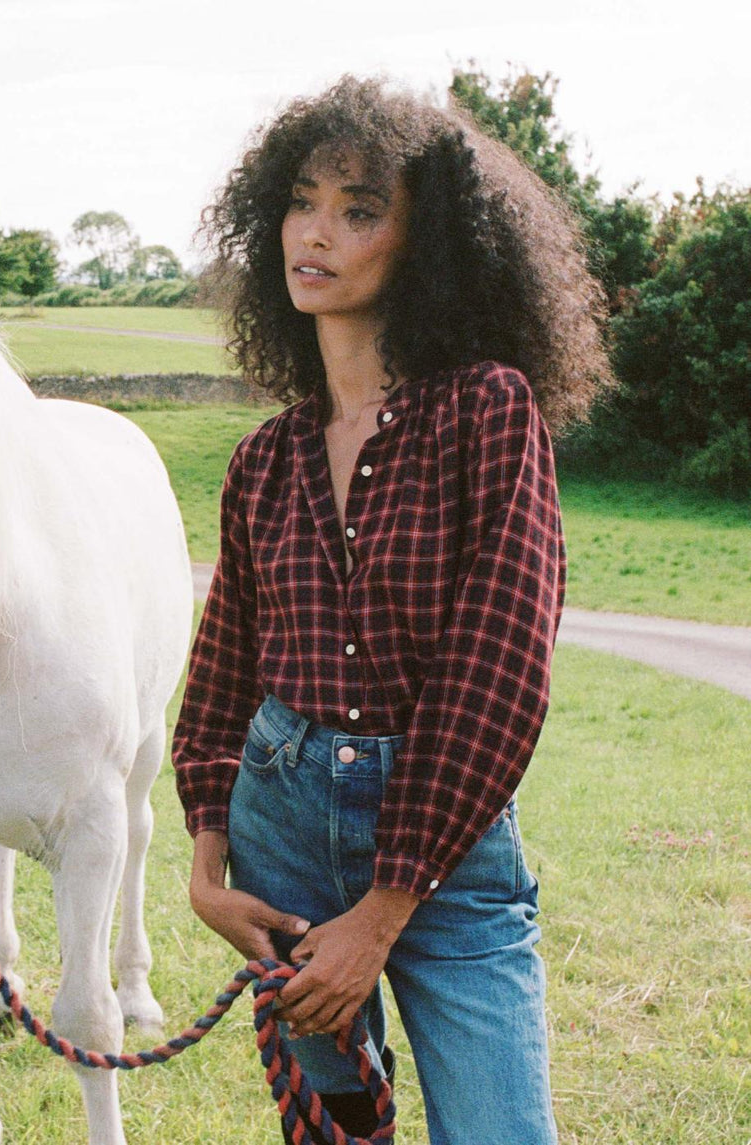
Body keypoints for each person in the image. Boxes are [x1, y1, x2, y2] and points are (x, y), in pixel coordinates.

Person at [171, 75, 611, 1144]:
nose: (315, 233)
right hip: (282, 843)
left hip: (450, 860)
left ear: (423, 246)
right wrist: (203, 868)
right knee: (339, 1127)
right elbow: (226, 665)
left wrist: (384, 909)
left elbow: (497, 674)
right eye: (303, 199)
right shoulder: (263, 460)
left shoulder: (487, 412)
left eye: (360, 209)